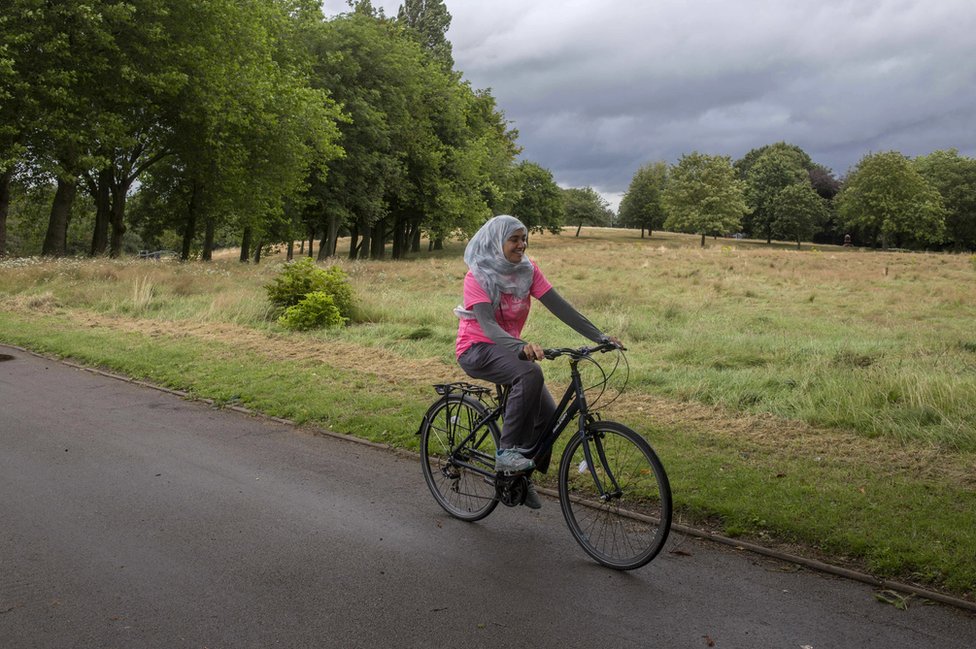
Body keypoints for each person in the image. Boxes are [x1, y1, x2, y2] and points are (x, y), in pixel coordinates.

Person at [454, 215, 620, 509]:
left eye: (524, 238)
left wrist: (600, 336)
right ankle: (506, 456)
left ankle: (520, 476)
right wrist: (521, 346)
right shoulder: (478, 275)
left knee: (548, 417)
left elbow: (561, 307)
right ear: (497, 242)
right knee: (530, 374)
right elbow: (488, 326)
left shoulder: (527, 271)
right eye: (514, 239)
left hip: (508, 351)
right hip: (477, 348)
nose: (521, 245)